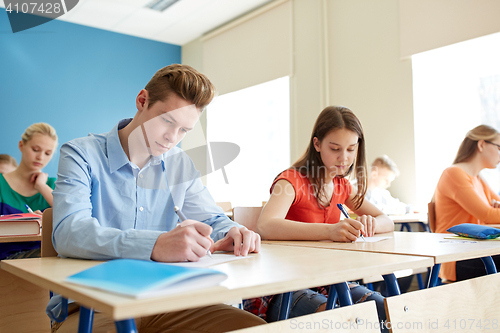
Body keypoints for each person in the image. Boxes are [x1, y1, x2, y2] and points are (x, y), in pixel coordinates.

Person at [47, 64, 265, 333]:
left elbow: (211, 217)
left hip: (168, 299)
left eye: (184, 130)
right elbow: (68, 233)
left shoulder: (180, 165)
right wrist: (154, 245)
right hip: (92, 305)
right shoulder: (81, 153)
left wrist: (233, 230)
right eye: (167, 121)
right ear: (142, 101)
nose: (172, 138)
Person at [245, 106, 394, 331]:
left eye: (351, 149)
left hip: (328, 282)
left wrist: (371, 222)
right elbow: (265, 226)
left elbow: (386, 220)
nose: (344, 158)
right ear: (317, 145)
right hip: (282, 288)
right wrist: (330, 230)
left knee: (383, 310)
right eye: (335, 149)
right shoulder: (291, 180)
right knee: (339, 320)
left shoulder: (342, 185)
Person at [435, 124, 500, 282]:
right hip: (458, 256)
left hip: (477, 250)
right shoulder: (454, 174)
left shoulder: (478, 178)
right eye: (499, 147)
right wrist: (493, 212)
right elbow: (487, 214)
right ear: (481, 144)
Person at [0, 123, 57, 260]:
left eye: (48, 153)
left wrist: (41, 186)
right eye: (36, 149)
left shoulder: (52, 185)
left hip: (47, 257)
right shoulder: (2, 184)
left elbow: (71, 214)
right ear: (21, 146)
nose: (40, 157)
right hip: (7, 258)